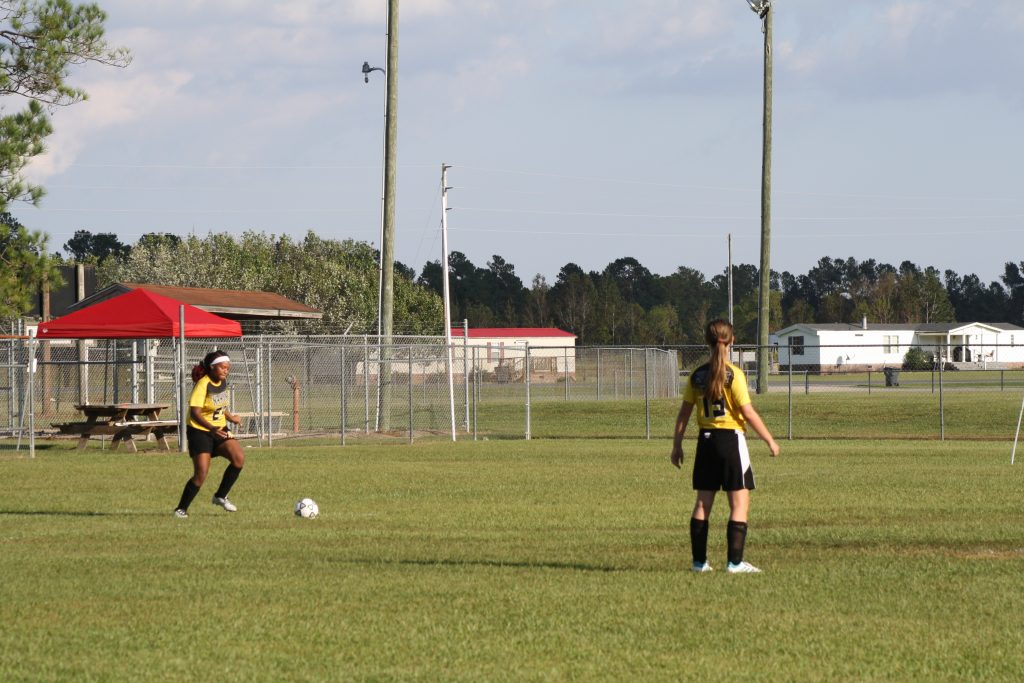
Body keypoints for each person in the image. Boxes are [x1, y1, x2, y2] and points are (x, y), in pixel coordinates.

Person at [670, 319, 780, 573]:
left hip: (705, 443)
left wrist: (676, 446)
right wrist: (770, 440)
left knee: (702, 503)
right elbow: (749, 414)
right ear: (731, 342)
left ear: (707, 343)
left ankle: (699, 563)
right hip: (731, 442)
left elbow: (683, 416)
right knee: (739, 504)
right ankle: (735, 563)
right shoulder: (735, 375)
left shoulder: (697, 376)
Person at [173, 350, 245, 518]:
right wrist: (212, 429)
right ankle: (181, 509)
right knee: (201, 474)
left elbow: (219, 405)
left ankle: (220, 496)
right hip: (200, 431)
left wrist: (231, 417)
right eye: (223, 367)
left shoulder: (222, 382)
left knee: (239, 458)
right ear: (212, 368)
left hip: (219, 429)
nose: (226, 370)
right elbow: (195, 412)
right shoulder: (202, 384)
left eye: (228, 368)